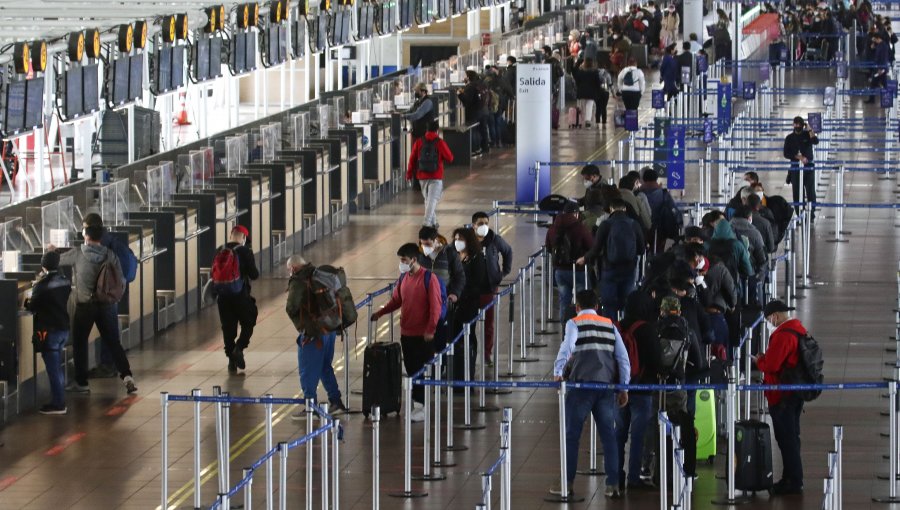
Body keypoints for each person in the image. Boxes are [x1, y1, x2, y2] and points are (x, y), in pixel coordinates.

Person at [549, 290, 630, 498]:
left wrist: (558, 372)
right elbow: (623, 358)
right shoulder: (610, 324)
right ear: (597, 306)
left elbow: (567, 347)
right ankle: (613, 485)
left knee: (572, 436)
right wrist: (623, 387)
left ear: (577, 307)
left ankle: (567, 483)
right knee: (609, 437)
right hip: (605, 389)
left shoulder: (574, 323)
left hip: (580, 388)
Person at [56, 224, 137, 394]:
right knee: (113, 342)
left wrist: (51, 250)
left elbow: (57, 260)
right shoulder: (110, 254)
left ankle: (82, 382)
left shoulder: (78, 253)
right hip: (106, 305)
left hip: (85, 306)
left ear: (85, 235)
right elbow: (120, 277)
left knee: (80, 343)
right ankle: (127, 376)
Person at [370, 243, 443, 422]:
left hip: (423, 335)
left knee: (422, 370)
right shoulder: (403, 278)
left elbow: (436, 307)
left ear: (414, 260)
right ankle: (418, 404)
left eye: (404, 260)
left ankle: (422, 406)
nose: (401, 263)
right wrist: (380, 312)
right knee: (411, 369)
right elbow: (397, 300)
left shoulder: (429, 278)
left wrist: (431, 329)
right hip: (407, 333)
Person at [753, 300, 807, 495]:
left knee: (786, 438)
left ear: (774, 316)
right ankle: (790, 477)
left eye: (769, 319)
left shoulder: (783, 336)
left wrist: (759, 360)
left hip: (781, 395)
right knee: (791, 436)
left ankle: (794, 480)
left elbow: (772, 366)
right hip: (793, 392)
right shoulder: (798, 329)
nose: (769, 322)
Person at [285, 255, 347, 419]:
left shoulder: (299, 280)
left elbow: (291, 307)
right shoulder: (320, 274)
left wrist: (301, 325)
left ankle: (309, 407)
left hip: (313, 333)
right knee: (325, 367)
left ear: (293, 268)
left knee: (307, 370)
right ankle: (336, 402)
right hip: (330, 328)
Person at [80, 213, 138, 379]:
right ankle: (118, 368)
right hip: (113, 290)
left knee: (102, 332)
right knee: (110, 333)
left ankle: (107, 365)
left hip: (103, 294)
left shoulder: (99, 245)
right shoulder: (110, 239)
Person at [615, 290, 660, 491]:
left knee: (619, 434)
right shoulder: (647, 329)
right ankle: (634, 477)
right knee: (638, 436)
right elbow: (656, 361)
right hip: (642, 389)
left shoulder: (618, 327)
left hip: (621, 389)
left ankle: (615, 475)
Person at [579, 199, 646, 319]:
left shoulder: (606, 225)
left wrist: (584, 258)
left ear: (611, 209)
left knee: (609, 306)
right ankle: (625, 332)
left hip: (608, 270)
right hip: (629, 270)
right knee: (627, 304)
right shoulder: (634, 224)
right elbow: (641, 249)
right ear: (625, 209)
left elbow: (596, 248)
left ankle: (610, 331)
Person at [25, 251, 71, 414]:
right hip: (63, 328)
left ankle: (58, 404)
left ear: (43, 265)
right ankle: (59, 400)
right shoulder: (65, 281)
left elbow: (32, 306)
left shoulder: (42, 285)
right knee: (57, 366)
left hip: (49, 331)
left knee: (53, 369)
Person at [215, 225, 260, 372]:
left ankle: (231, 361)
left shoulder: (220, 250)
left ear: (230, 235)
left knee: (228, 328)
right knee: (249, 320)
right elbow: (254, 274)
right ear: (244, 238)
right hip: (240, 295)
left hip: (222, 296)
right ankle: (239, 348)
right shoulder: (245, 251)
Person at [472, 212, 513, 365]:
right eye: (480, 223)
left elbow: (508, 251)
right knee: (469, 324)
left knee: (489, 324)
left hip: (489, 288)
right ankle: (470, 352)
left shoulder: (494, 239)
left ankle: (487, 354)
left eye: (486, 223)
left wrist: (503, 272)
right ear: (474, 225)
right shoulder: (466, 241)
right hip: (471, 290)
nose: (484, 226)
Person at [450, 227, 490, 378]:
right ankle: (455, 370)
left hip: (468, 305)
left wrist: (460, 294)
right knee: (453, 336)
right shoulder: (454, 256)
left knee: (467, 336)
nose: (457, 242)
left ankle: (468, 370)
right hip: (454, 305)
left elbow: (477, 283)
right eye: (456, 239)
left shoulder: (476, 258)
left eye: (461, 239)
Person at [418, 226, 465, 351]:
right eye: (422, 244)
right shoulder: (419, 255)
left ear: (436, 240)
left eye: (427, 244)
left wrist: (455, 293)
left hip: (443, 302)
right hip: (423, 303)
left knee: (441, 336)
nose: (425, 247)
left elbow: (460, 276)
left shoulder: (449, 253)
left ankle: (441, 365)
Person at [546, 202, 594, 320]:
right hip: (578, 270)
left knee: (564, 301)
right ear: (576, 214)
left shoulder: (552, 228)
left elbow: (548, 247)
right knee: (583, 302)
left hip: (560, 271)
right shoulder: (580, 228)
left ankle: (565, 327)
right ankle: (582, 324)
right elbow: (591, 246)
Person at [407, 120, 454, 229]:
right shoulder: (439, 142)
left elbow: (412, 159)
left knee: (428, 201)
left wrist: (409, 174)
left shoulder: (419, 142)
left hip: (422, 177)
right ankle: (426, 224)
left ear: (426, 129)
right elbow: (450, 158)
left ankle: (434, 223)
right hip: (436, 176)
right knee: (431, 201)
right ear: (437, 130)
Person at [783, 116, 818, 217]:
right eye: (795, 124)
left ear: (803, 125)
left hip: (809, 166)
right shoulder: (789, 138)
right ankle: (799, 213)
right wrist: (798, 157)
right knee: (797, 191)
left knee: (810, 190)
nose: (797, 126)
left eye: (799, 124)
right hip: (795, 168)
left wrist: (810, 129)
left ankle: (811, 212)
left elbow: (815, 141)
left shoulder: (807, 135)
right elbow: (786, 153)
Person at [458, 67, 491, 154]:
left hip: (475, 112)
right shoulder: (482, 84)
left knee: (474, 130)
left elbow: (467, 100)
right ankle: (485, 147)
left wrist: (460, 94)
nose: (463, 78)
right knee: (483, 129)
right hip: (484, 110)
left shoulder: (470, 87)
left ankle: (475, 149)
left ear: (468, 77)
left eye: (465, 76)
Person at [573, 58, 602, 128]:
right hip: (591, 92)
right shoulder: (595, 72)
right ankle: (587, 121)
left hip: (582, 91)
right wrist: (598, 90)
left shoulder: (581, 71)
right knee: (589, 106)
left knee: (583, 106)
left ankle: (582, 120)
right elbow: (598, 83)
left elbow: (577, 80)